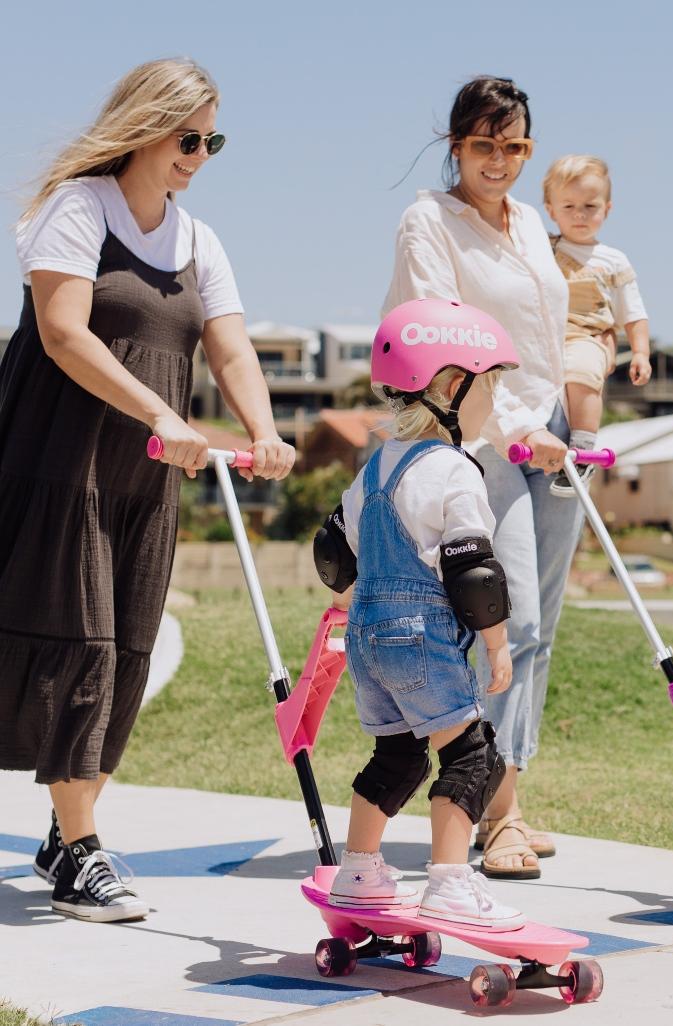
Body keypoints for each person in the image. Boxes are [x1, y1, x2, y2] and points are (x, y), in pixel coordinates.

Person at [0, 58, 295, 923]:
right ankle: (81, 853)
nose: (200, 154)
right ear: (144, 125)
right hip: (60, 466)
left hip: (145, 478)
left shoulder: (199, 240)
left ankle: (68, 830)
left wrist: (265, 429)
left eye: (213, 140)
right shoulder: (76, 209)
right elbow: (61, 334)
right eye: (188, 137)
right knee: (80, 644)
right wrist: (163, 412)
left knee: (126, 649)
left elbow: (233, 349)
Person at [383, 76, 583, 879]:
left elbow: (550, 331)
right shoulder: (429, 221)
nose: (500, 161)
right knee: (513, 622)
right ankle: (486, 814)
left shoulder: (531, 222)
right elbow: (442, 342)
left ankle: (510, 804)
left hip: (553, 436)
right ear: (455, 146)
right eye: (484, 145)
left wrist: (567, 419)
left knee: (538, 641)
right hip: (484, 441)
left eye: (516, 147)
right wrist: (513, 428)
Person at [315, 298, 525, 929]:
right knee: (472, 756)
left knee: (398, 756)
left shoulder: (374, 467)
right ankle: (451, 882)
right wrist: (496, 644)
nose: (495, 403)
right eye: (492, 387)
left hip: (368, 639)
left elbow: (332, 552)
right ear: (452, 387)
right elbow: (473, 570)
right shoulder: (455, 470)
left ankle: (360, 869)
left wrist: (359, 607)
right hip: (424, 638)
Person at [542, 154, 651, 494]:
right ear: (550, 209)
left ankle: (584, 450)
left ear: (607, 208)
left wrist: (641, 353)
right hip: (546, 336)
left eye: (590, 206)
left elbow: (633, 312)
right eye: (569, 206)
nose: (580, 215)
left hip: (587, 336)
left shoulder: (613, 261)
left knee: (582, 370)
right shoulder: (541, 248)